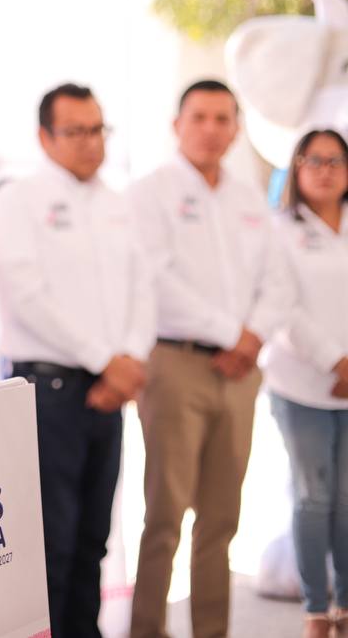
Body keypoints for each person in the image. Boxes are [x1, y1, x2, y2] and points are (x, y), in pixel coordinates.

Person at [128, 79, 296, 638]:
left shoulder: (248, 198)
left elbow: (278, 280)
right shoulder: (150, 193)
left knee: (222, 518)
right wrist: (234, 334)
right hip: (176, 365)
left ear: (237, 129)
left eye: (222, 119)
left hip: (241, 373)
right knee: (164, 516)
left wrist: (252, 338)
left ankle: (211, 631)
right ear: (176, 125)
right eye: (198, 117)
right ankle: (147, 629)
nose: (210, 129)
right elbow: (155, 280)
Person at [0, 83, 155, 637]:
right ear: (45, 137)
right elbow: (27, 297)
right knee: (51, 543)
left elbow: (143, 288)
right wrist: (107, 360)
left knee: (94, 539)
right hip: (49, 393)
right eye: (75, 131)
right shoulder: (20, 200)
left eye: (97, 129)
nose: (90, 141)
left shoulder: (117, 203)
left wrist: (128, 363)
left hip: (110, 391)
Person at [265, 129, 348, 638]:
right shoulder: (278, 231)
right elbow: (283, 308)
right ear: (296, 169)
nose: (325, 170)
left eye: (335, 160)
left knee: (347, 500)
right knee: (313, 498)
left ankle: (346, 606)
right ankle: (316, 609)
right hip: (301, 384)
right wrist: (336, 362)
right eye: (314, 160)